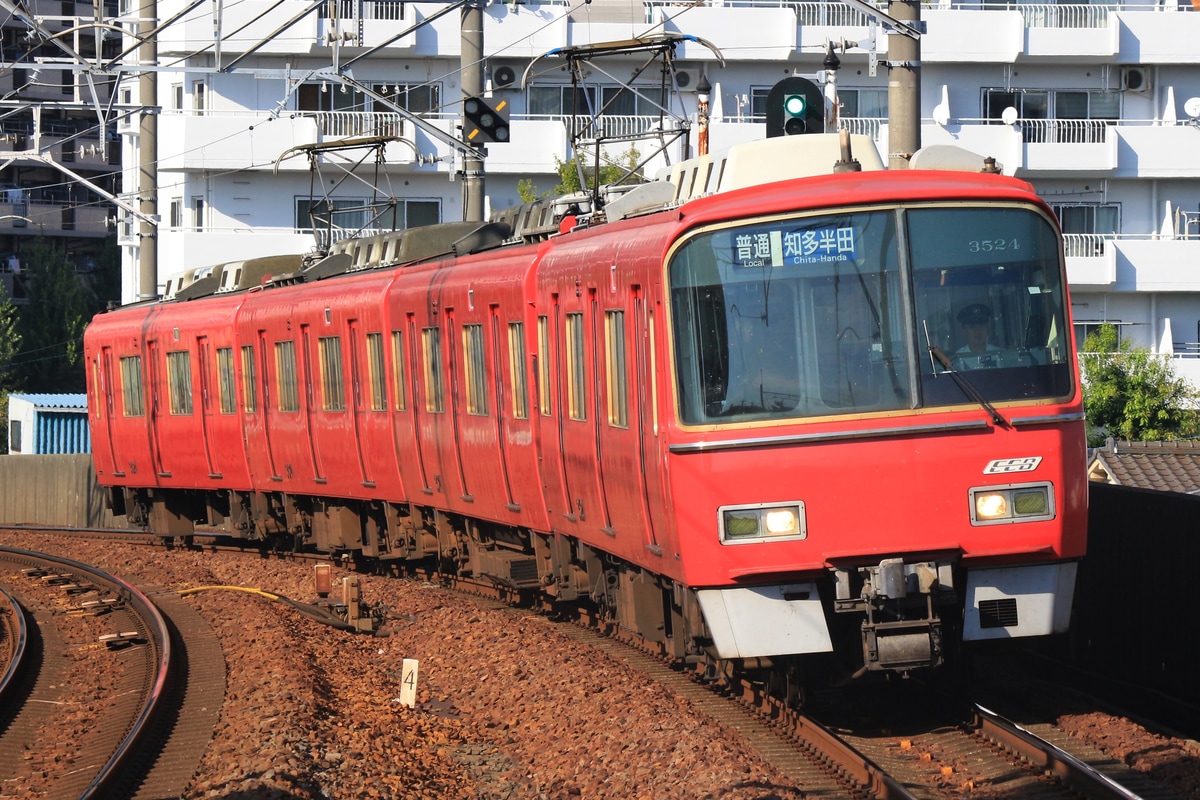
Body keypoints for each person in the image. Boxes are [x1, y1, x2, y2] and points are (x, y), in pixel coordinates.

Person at [953, 303, 1001, 369]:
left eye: (982, 326)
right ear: (964, 331)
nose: (978, 331)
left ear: (988, 329)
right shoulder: (957, 359)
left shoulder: (1000, 355)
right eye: (972, 327)